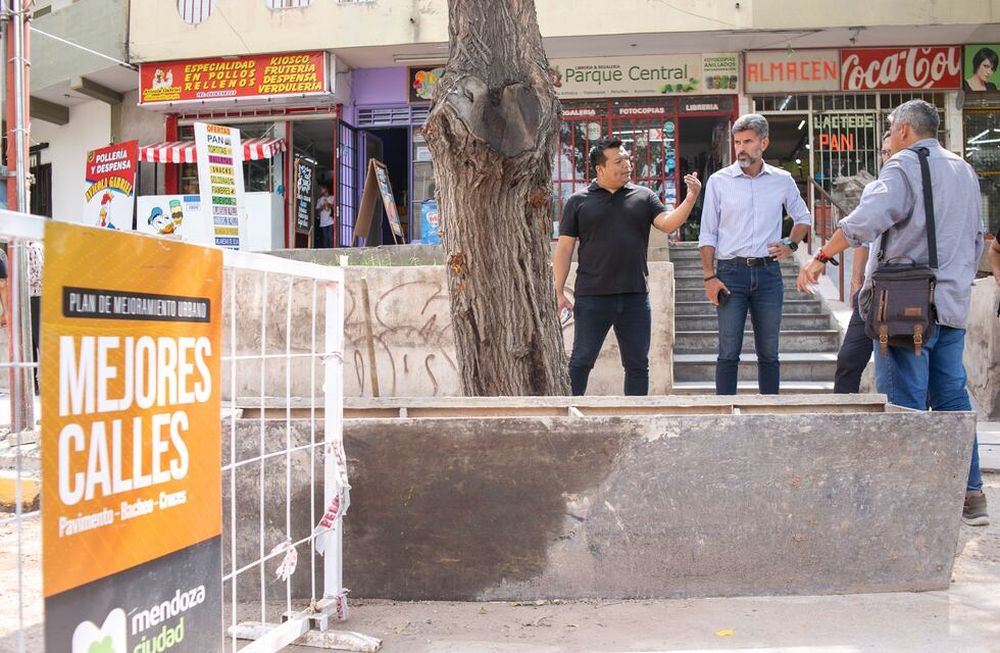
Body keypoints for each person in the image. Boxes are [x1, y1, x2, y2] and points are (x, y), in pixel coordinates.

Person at [797, 99, 988, 526]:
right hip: (953, 303)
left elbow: (866, 220)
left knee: (903, 400)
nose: (889, 134)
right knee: (953, 399)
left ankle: (907, 502)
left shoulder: (902, 165)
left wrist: (821, 256)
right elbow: (976, 239)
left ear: (903, 130)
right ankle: (971, 494)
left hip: (906, 308)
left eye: (889, 127)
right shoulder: (964, 169)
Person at [554, 137, 702, 396]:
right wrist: (557, 291)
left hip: (634, 297)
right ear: (600, 169)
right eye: (619, 161)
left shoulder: (644, 197)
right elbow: (564, 249)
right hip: (591, 297)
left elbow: (667, 224)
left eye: (627, 159)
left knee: (637, 366)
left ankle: (637, 420)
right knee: (580, 362)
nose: (627, 164)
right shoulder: (578, 201)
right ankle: (568, 415)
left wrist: (690, 199)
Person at [698, 113, 812, 395]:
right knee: (728, 352)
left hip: (768, 274)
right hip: (729, 274)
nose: (741, 148)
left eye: (747, 141)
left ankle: (769, 415)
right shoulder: (718, 181)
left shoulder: (782, 180)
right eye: (737, 142)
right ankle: (725, 415)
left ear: (764, 142)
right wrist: (709, 277)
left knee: (769, 353)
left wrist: (792, 245)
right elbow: (707, 233)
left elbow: (803, 217)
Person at [834, 133, 894, 393]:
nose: (887, 157)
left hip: (902, 290)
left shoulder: (915, 189)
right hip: (870, 293)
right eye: (884, 152)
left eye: (891, 151)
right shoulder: (874, 190)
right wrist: (856, 281)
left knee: (895, 365)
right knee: (848, 359)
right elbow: (862, 240)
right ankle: (841, 421)